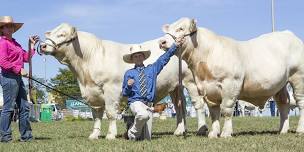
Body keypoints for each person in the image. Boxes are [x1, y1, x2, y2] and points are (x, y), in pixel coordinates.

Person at [122, 37, 184, 141]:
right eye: (135, 56)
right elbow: (124, 93)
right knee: (142, 115)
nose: (138, 57)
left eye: (139, 55)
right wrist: (128, 86)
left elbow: (164, 59)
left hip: (149, 104)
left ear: (143, 57)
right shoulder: (129, 73)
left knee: (146, 138)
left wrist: (175, 46)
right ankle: (131, 133)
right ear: (132, 59)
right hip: (135, 102)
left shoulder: (152, 69)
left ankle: (132, 130)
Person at [0, 16, 39, 142]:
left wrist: (32, 46)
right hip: (8, 77)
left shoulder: (16, 43)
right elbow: (3, 62)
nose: (10, 28)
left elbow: (26, 58)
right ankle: (5, 137)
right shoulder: (2, 43)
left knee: (24, 107)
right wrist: (18, 69)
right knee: (9, 108)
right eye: (7, 26)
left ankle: (26, 136)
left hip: (17, 78)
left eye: (11, 25)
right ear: (2, 29)